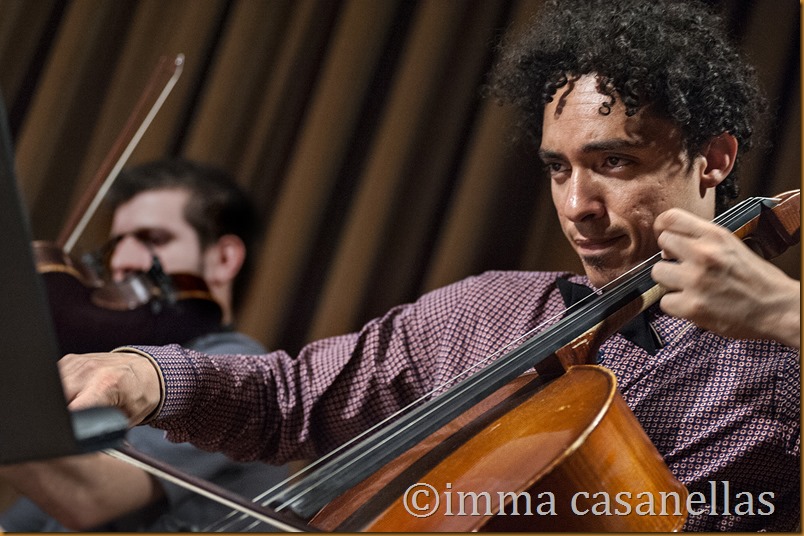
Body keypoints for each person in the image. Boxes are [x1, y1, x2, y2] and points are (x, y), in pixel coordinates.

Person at [41, 0, 804, 531]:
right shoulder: (488, 312)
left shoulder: (785, 366)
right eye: (558, 168)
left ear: (714, 158)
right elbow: (290, 398)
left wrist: (782, 315)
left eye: (613, 163)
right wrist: (144, 376)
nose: (578, 205)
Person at [0, 159, 289, 532]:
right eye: (116, 245)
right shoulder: (115, 373)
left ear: (223, 258)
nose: (121, 262)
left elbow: (88, 496)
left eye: (154, 240)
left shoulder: (233, 370)